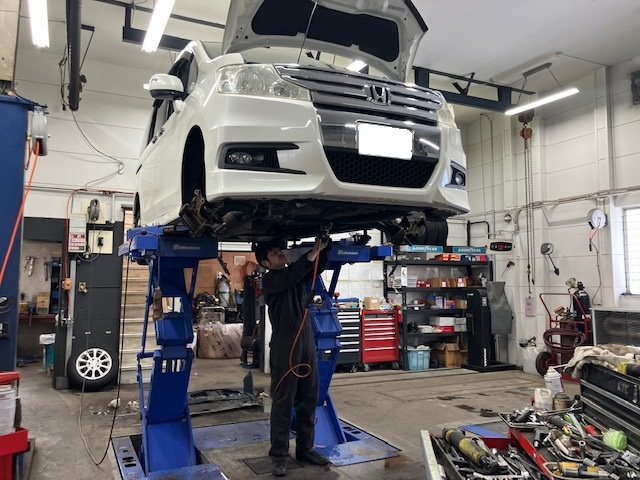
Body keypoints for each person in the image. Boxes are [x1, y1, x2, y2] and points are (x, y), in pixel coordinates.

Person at [254, 237, 331, 477]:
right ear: (266, 263)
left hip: (306, 342)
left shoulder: (295, 276)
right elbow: (294, 273)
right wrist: (312, 252)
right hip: (285, 345)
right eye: (274, 252)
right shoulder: (271, 280)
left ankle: (305, 449)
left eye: (279, 249)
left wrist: (324, 248)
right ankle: (279, 455)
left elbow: (314, 269)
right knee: (283, 401)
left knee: (309, 398)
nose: (280, 252)